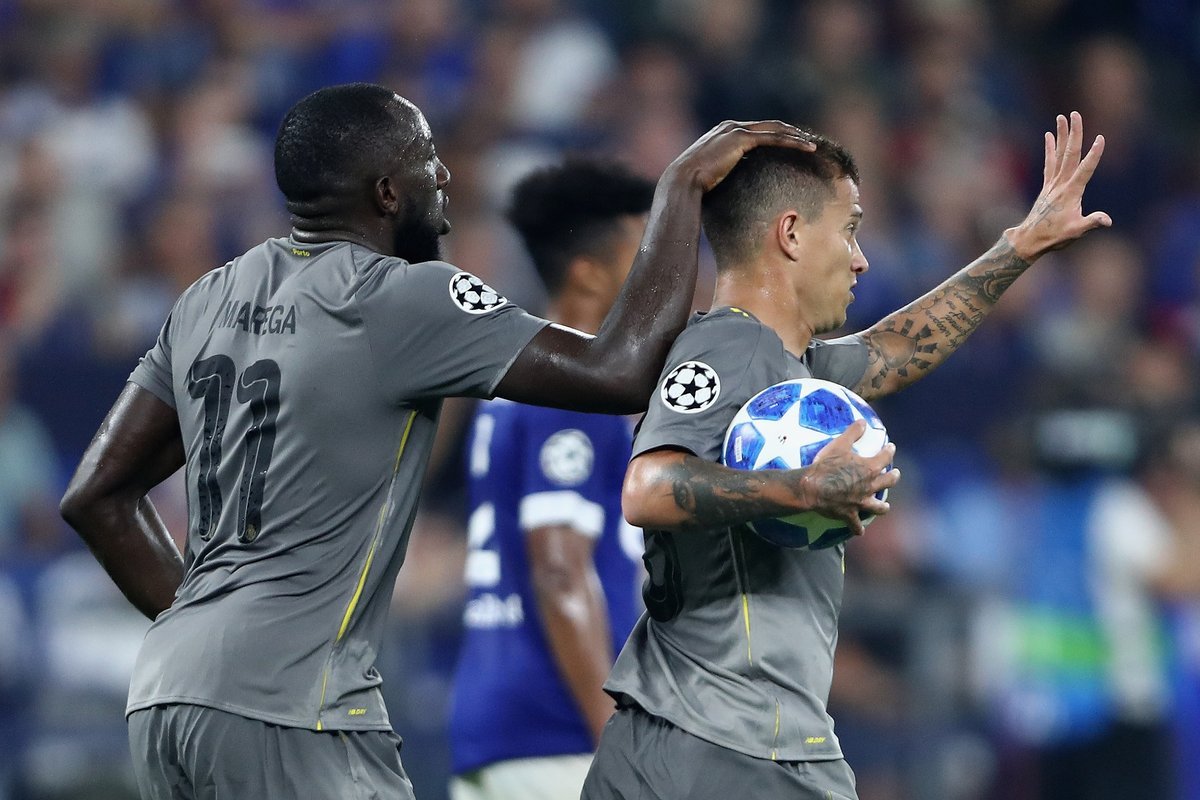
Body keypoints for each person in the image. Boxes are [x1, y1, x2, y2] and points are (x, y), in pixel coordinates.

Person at [56, 83, 875, 800]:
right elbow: (619, 371)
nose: (445, 176)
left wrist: (203, 640)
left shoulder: (209, 296)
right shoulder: (402, 297)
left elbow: (96, 495)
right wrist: (680, 189)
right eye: (426, 160)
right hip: (291, 707)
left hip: (164, 696)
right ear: (387, 193)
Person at [582, 111, 1110, 800]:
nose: (861, 258)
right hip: (732, 744)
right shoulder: (729, 348)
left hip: (695, 735)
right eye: (850, 229)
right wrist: (802, 489)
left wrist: (1021, 245)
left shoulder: (787, 367)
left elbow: (898, 346)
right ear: (791, 234)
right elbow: (649, 487)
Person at [447, 159, 655, 800]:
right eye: (643, 253)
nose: (663, 272)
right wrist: (614, 741)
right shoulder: (573, 389)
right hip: (560, 732)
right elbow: (560, 570)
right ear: (588, 272)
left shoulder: (517, 381)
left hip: (495, 728)